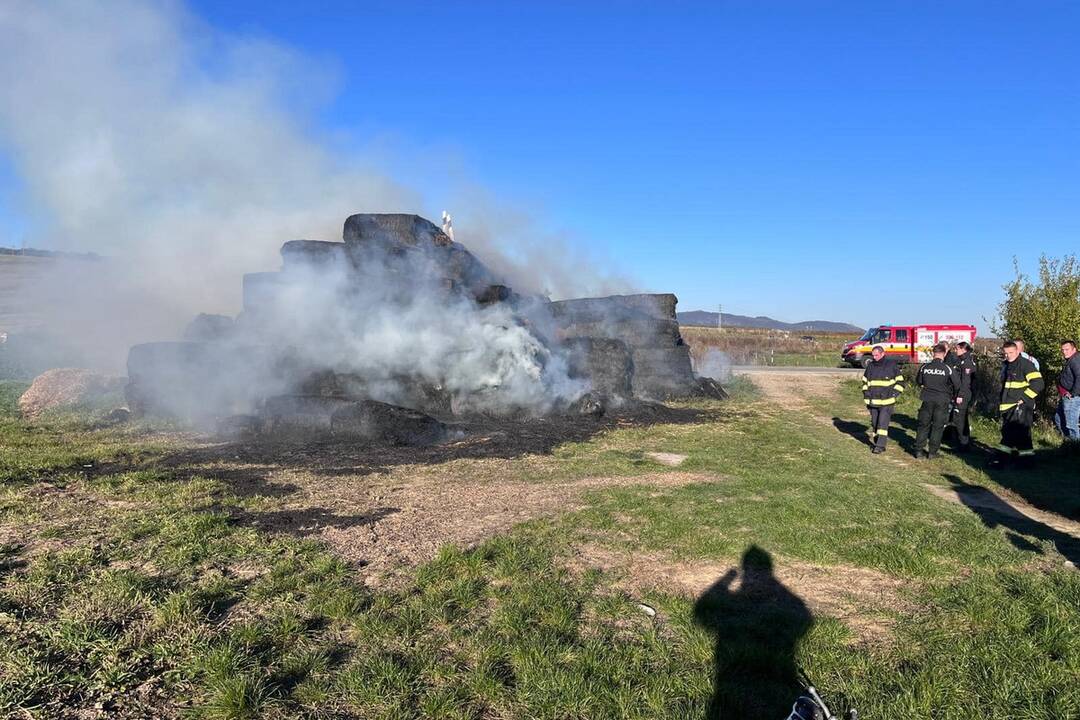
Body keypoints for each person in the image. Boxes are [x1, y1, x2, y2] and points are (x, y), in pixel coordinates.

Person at [994, 340, 1045, 467]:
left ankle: (1001, 460)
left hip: (1020, 405)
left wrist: (1024, 398)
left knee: (1011, 434)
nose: (1008, 356)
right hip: (1008, 405)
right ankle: (1025, 461)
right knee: (1018, 435)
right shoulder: (1006, 365)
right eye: (1005, 353)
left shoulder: (1025, 364)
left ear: (1017, 351)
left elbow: (1039, 383)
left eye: (1011, 353)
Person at [914, 343, 960, 459]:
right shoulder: (947, 368)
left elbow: (919, 381)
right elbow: (957, 384)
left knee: (923, 425)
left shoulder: (925, 367)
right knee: (938, 426)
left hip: (927, 399)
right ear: (944, 354)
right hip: (942, 400)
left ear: (933, 354)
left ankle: (919, 451)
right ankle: (932, 453)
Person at [862, 345, 905, 454]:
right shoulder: (870, 366)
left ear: (882, 354)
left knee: (882, 424)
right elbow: (865, 382)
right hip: (873, 402)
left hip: (887, 402)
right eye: (873, 355)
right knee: (875, 424)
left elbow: (900, 382)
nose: (874, 357)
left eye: (876, 355)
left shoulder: (891, 366)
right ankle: (878, 442)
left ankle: (880, 446)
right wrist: (866, 396)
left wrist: (894, 394)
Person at [946, 341, 977, 450]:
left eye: (957, 349)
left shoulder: (966, 363)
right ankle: (964, 441)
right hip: (962, 393)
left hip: (963, 395)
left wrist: (960, 395)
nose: (955, 351)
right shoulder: (963, 361)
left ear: (964, 350)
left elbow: (966, 382)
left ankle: (963, 444)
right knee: (962, 418)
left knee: (959, 419)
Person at [1055, 339, 1080, 440]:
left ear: (1074, 349)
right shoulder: (1072, 359)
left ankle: (1075, 448)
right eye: (1063, 350)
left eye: (1067, 349)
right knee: (1058, 418)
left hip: (1072, 398)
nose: (1064, 352)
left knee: (1071, 424)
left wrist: (1073, 393)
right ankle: (1067, 442)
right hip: (1066, 395)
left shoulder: (1075, 360)